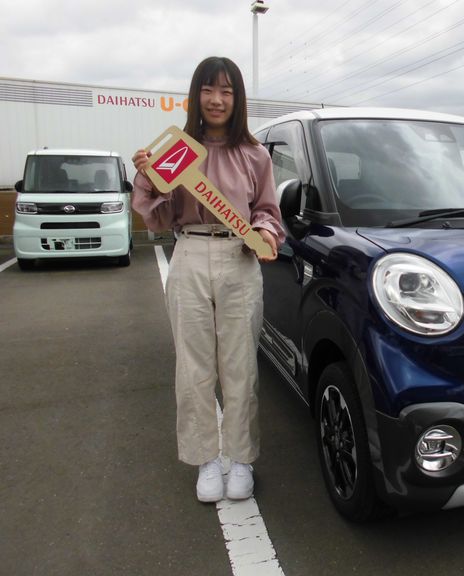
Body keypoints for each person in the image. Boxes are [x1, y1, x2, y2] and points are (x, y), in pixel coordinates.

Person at [131, 56, 284, 503]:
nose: (217, 100)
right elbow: (159, 217)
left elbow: (267, 211)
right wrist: (148, 177)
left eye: (227, 91)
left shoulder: (255, 154)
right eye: (208, 89)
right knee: (193, 367)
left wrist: (264, 233)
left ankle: (241, 459)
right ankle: (205, 460)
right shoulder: (177, 150)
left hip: (240, 258)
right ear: (195, 95)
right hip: (191, 252)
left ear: (238, 99)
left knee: (240, 366)